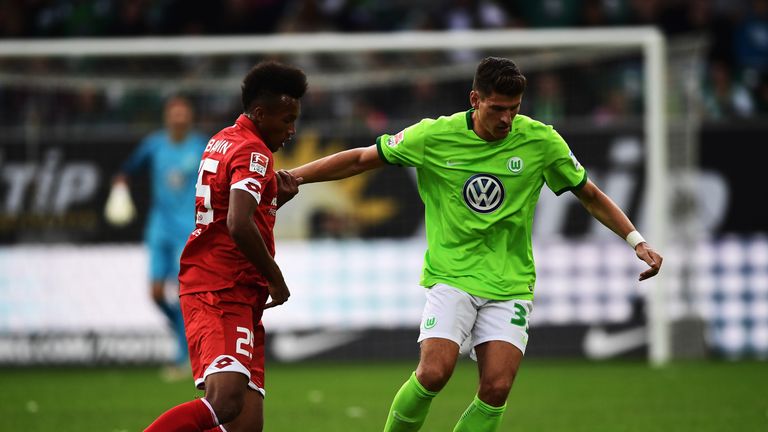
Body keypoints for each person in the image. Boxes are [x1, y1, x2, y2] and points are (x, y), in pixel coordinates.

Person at [290, 56, 663, 432]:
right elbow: (359, 160)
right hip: (452, 274)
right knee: (434, 373)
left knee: (497, 387)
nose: (506, 119)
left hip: (510, 281)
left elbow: (590, 194)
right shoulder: (433, 136)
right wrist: (294, 176)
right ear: (475, 99)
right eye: (498, 108)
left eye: (514, 110)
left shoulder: (540, 140)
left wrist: (636, 240)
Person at [144, 60, 306, 432]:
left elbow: (224, 212)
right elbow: (237, 222)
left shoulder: (222, 138)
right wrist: (276, 277)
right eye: (286, 119)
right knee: (225, 400)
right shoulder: (254, 152)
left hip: (234, 290)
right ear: (261, 113)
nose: (292, 130)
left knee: (246, 423)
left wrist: (270, 199)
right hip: (221, 289)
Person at [109, 95, 207, 380]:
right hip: (159, 227)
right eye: (173, 113)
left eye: (183, 113)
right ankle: (182, 333)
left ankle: (182, 355)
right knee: (155, 293)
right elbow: (127, 170)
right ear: (167, 117)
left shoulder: (201, 145)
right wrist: (120, 183)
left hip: (187, 228)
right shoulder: (154, 144)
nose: (178, 118)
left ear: (189, 117)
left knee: (183, 294)